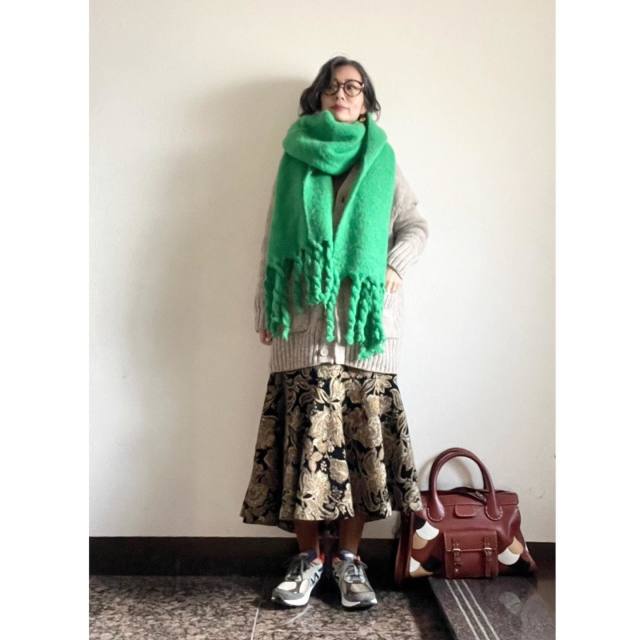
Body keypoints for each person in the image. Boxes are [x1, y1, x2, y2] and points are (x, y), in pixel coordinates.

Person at [239, 56, 429, 610]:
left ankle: (348, 559)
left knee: (360, 451)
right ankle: (308, 559)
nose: (341, 94)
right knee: (303, 448)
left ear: (366, 100)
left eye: (352, 87)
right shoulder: (295, 157)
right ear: (318, 97)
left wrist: (393, 265)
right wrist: (266, 307)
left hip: (365, 334)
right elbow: (273, 241)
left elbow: (415, 225)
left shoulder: (383, 159)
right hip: (302, 326)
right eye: (331, 87)